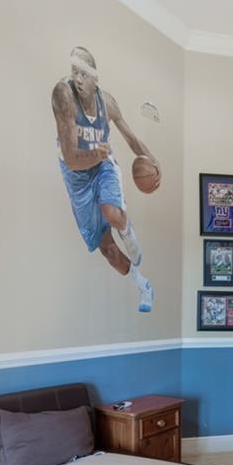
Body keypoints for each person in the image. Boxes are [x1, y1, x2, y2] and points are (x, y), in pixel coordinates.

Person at [52, 46, 159, 312]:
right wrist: (95, 153)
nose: (78, 79)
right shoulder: (63, 96)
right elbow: (71, 158)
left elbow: (131, 139)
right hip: (76, 177)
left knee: (111, 211)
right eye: (75, 72)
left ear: (95, 77)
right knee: (108, 252)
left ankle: (126, 229)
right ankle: (143, 286)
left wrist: (154, 162)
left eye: (84, 73)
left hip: (102, 167)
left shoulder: (107, 103)